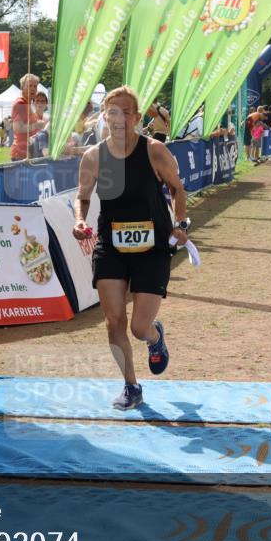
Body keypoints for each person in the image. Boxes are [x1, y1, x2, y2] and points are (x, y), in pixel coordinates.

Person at [72, 86, 187, 410]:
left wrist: (181, 225)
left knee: (138, 327)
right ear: (104, 116)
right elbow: (82, 196)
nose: (118, 118)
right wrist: (80, 220)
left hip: (152, 247)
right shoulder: (93, 156)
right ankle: (131, 386)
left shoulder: (154, 151)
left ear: (136, 118)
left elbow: (178, 190)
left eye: (125, 112)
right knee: (114, 321)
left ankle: (154, 337)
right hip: (111, 246)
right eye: (112, 112)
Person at [9, 73, 47, 160]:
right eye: (30, 86)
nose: (33, 89)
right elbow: (17, 128)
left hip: (28, 152)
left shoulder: (27, 103)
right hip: (21, 154)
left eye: (35, 86)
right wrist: (36, 125)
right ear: (22, 87)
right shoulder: (21, 103)